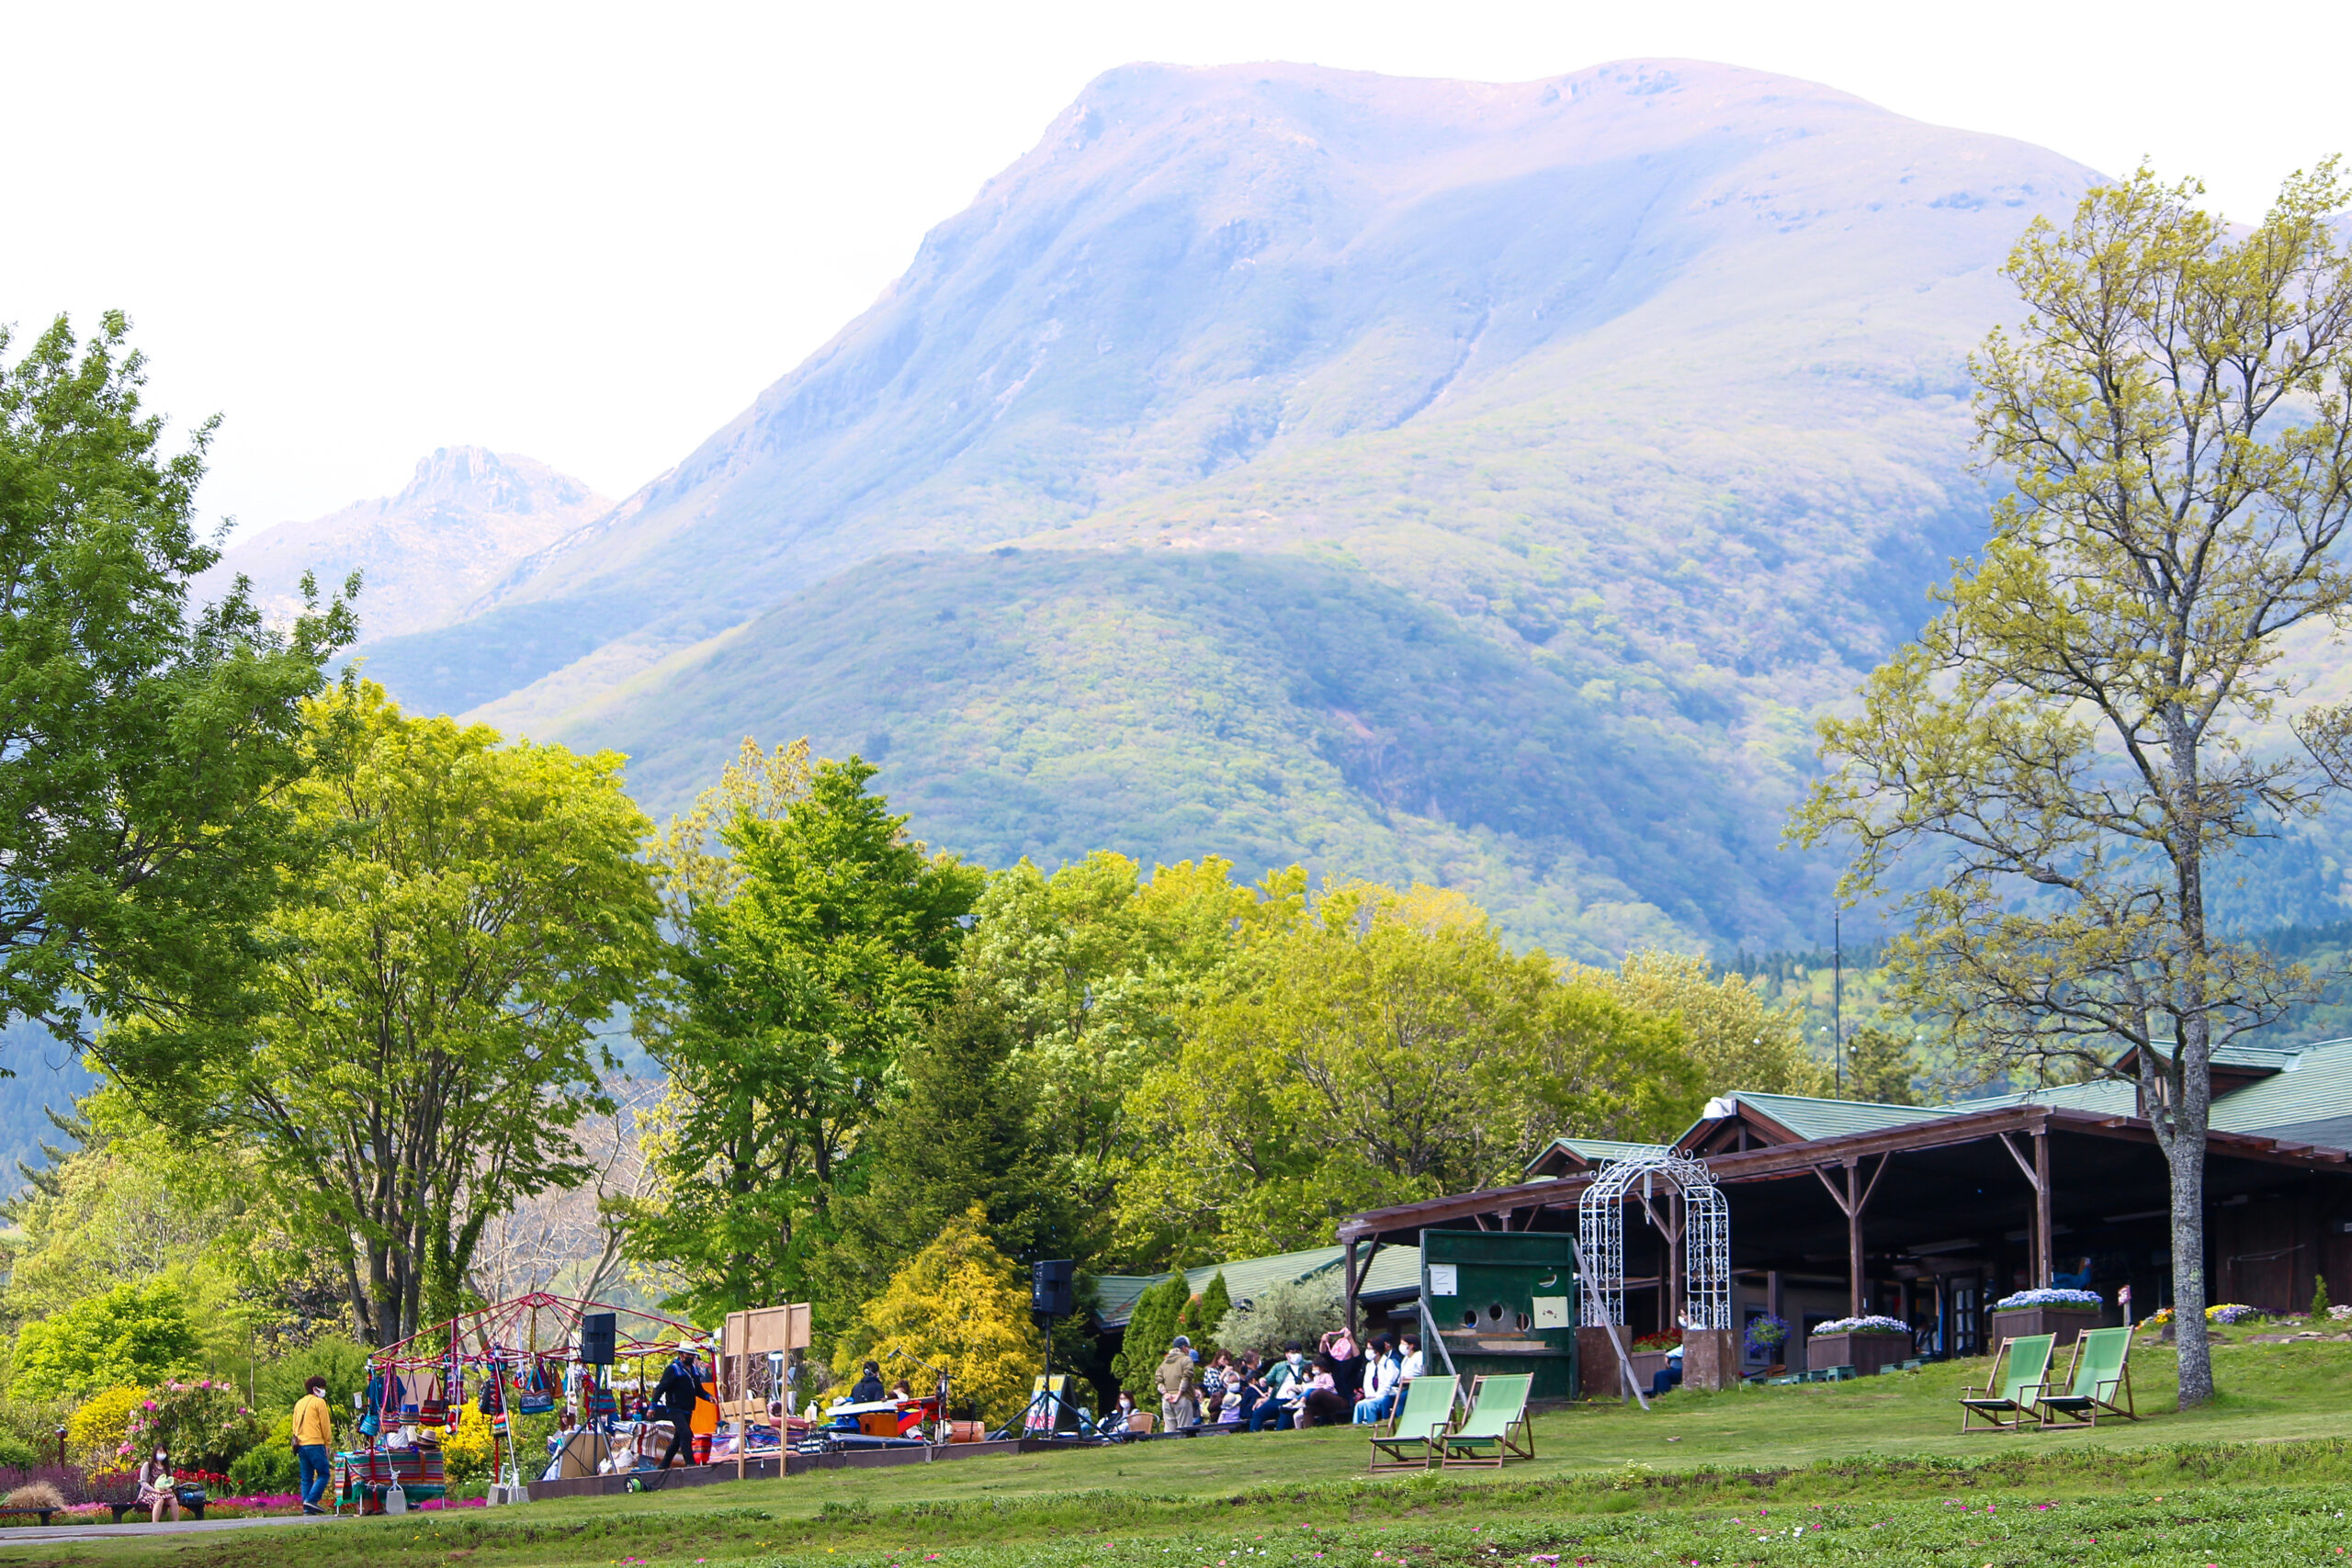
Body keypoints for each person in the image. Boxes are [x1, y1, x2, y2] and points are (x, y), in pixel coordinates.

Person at [651, 1344, 710, 1470]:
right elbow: (661, 1388)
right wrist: (653, 1406)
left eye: (692, 1355)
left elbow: (698, 1390)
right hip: (674, 1408)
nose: (690, 1357)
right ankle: (690, 1463)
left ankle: (664, 1464)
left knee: (678, 1438)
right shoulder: (672, 1370)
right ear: (681, 1354)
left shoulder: (694, 1370)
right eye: (687, 1354)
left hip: (688, 1409)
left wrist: (708, 1397)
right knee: (686, 1433)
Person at [292, 1373, 334, 1514]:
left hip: (301, 1444)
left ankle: (307, 1508)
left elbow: (295, 1425)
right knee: (324, 1473)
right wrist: (327, 1443)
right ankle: (311, 1500)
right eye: (322, 1388)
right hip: (315, 1443)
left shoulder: (299, 1403)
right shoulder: (319, 1403)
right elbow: (325, 1425)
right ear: (316, 1389)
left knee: (306, 1477)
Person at [1249, 1344, 1306, 1431]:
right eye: (1292, 1352)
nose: (1295, 1355)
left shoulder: (1308, 1365)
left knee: (1283, 1422)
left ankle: (1279, 1438)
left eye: (1298, 1352)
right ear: (1286, 1354)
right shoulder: (1279, 1366)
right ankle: (1253, 1437)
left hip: (1293, 1401)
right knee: (1258, 1414)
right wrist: (1263, 1380)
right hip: (1277, 1399)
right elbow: (1268, 1378)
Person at [1352, 1337, 1402, 1424]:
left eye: (1370, 1349)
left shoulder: (1389, 1363)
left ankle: (1370, 1424)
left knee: (1369, 1405)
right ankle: (1356, 1426)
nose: (1367, 1351)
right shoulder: (1370, 1365)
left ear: (1377, 1351)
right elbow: (1367, 1383)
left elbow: (1388, 1383)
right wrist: (1370, 1396)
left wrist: (1377, 1396)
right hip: (1371, 1396)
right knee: (1359, 1405)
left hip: (1386, 1396)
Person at [1293, 1354, 1350, 1427]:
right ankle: (1308, 1428)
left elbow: (1330, 1385)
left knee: (1316, 1393)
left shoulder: (1327, 1375)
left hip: (1331, 1396)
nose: (1313, 1369)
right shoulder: (1316, 1377)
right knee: (1307, 1407)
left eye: (1315, 1367)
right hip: (1320, 1402)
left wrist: (1322, 1388)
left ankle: (1301, 1401)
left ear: (1322, 1367)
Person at [1157, 1335, 1198, 1433]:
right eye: (1188, 1347)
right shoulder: (1186, 1360)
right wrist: (1179, 1394)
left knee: (1169, 1433)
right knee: (1185, 1431)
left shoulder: (1164, 1363)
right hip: (1182, 1399)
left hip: (1167, 1401)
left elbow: (1158, 1381)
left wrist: (1165, 1393)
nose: (1189, 1350)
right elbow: (1186, 1377)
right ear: (1184, 1347)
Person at [137, 1446, 181, 1524]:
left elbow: (170, 1482)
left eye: (164, 1452)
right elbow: (143, 1482)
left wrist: (169, 1489)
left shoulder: (167, 1467)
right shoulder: (148, 1465)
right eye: (160, 1451)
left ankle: (176, 1523)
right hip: (149, 1492)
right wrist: (155, 1490)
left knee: (173, 1500)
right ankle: (155, 1524)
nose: (162, 1454)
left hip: (164, 1492)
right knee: (159, 1500)